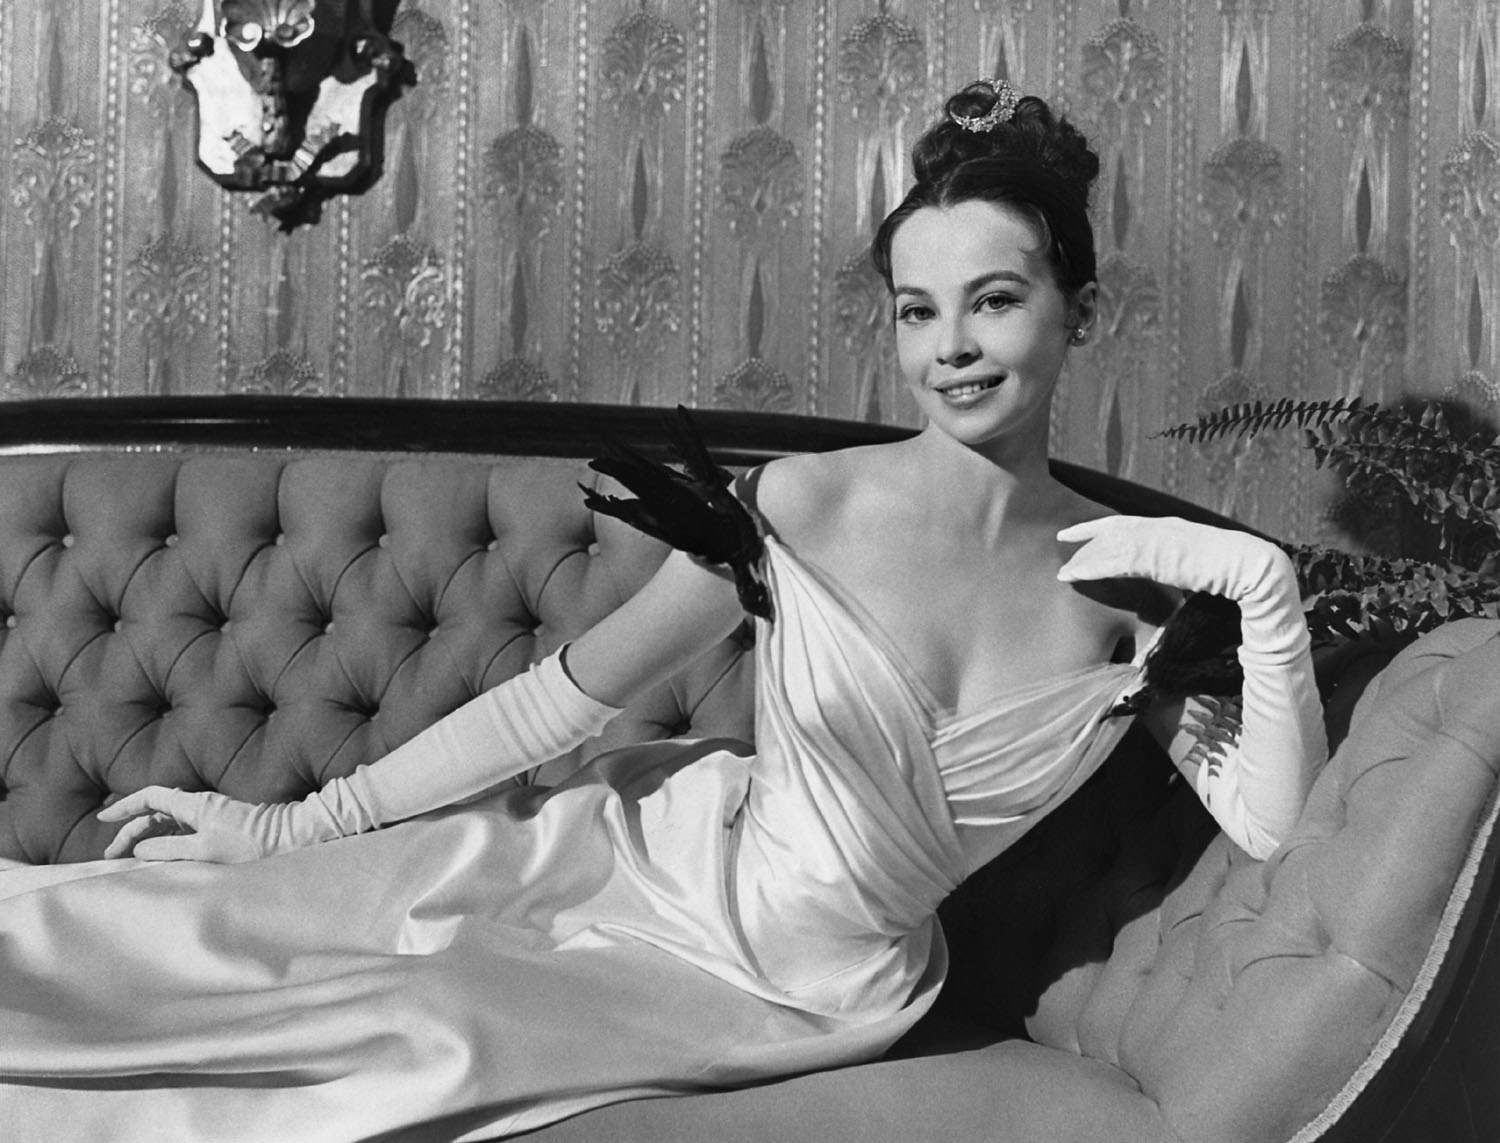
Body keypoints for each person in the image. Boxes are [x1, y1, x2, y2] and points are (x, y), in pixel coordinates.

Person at [0, 80, 1327, 1142]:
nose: (952, 349)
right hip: (636, 866)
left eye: (995, 301)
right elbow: (564, 697)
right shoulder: (797, 506)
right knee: (151, 947)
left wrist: (1262, 590)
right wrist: (293, 824)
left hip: (813, 989)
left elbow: (1272, 823)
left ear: (1078, 312)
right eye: (918, 311)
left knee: (418, 1042)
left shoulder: (1137, 599)